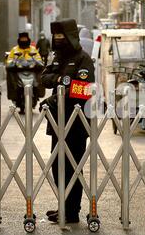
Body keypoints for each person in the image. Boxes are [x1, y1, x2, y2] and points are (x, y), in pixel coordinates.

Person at [41, 19, 95, 223]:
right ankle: (63, 205)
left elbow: (84, 89)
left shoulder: (83, 60)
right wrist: (60, 81)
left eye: (61, 36)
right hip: (57, 121)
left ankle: (72, 211)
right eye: (55, 36)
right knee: (57, 165)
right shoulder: (57, 57)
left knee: (73, 166)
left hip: (77, 122)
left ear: (71, 36)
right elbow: (44, 77)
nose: (58, 40)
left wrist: (57, 92)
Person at [6, 32, 44, 114]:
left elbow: (39, 59)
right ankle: (14, 92)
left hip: (31, 70)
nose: (23, 40)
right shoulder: (14, 50)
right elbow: (9, 60)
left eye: (25, 39)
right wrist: (12, 62)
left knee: (41, 73)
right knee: (10, 74)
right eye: (22, 39)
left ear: (28, 39)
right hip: (18, 70)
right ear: (19, 40)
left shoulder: (33, 49)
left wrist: (37, 62)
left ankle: (38, 90)